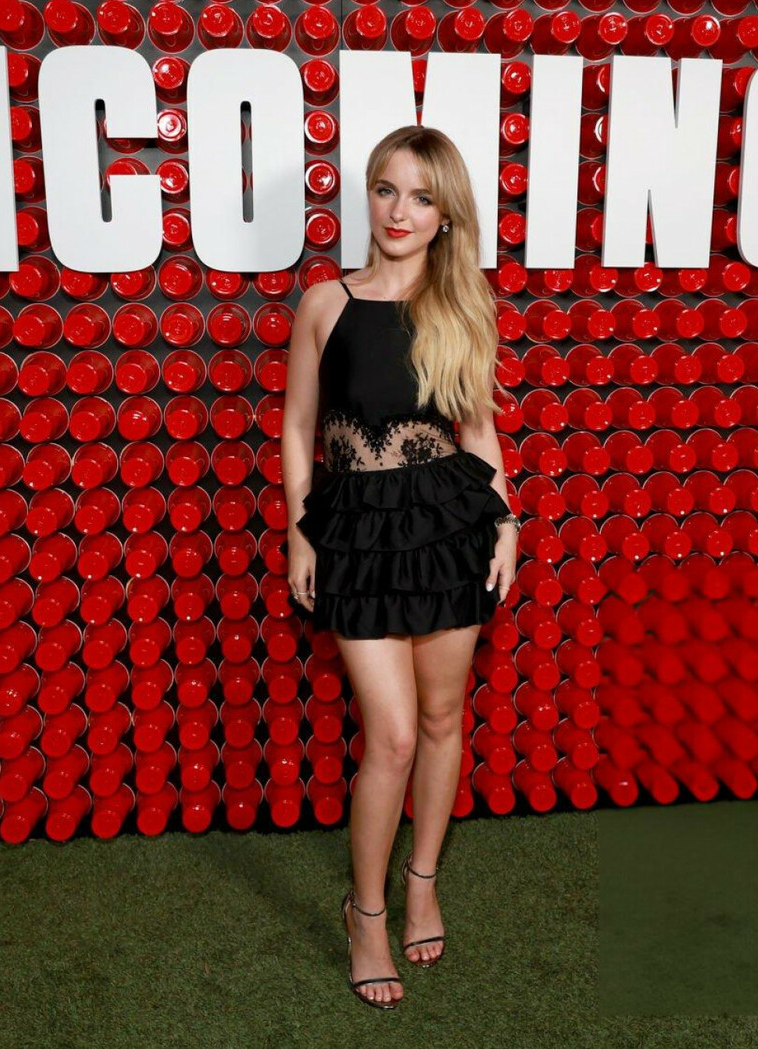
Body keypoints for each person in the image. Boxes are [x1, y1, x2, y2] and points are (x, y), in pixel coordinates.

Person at [281, 125, 518, 1010]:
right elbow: (299, 428)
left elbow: (478, 430)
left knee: (443, 716)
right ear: (368, 195)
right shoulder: (325, 302)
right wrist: (300, 533)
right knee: (392, 735)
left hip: (448, 526)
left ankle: (423, 882)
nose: (399, 211)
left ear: (445, 214)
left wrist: (507, 522)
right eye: (386, 189)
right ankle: (366, 913)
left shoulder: (462, 306)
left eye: (421, 197)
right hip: (354, 532)